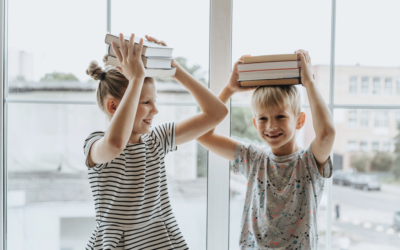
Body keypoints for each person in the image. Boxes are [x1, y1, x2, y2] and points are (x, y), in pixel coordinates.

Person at [84, 33, 228, 250]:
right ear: (113, 107)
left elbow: (217, 112)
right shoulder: (95, 143)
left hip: (161, 240)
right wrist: (135, 79)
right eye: (145, 101)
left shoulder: (157, 140)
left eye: (155, 101)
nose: (155, 109)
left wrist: (174, 69)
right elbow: (115, 144)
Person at [197, 50, 335, 249]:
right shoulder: (253, 158)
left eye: (280, 117)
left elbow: (327, 133)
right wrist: (229, 89)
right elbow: (201, 133)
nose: (270, 126)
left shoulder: (309, 161)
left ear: (299, 120)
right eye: (263, 118)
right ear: (255, 123)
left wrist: (309, 83)